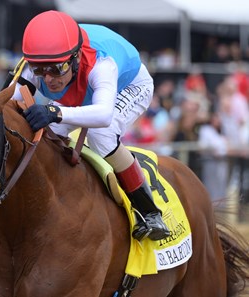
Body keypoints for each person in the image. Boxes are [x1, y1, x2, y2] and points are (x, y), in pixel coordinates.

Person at [11, 10, 169, 241]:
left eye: (56, 69)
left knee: (101, 135)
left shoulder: (102, 64)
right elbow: (8, 103)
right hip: (82, 92)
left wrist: (53, 111)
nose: (48, 78)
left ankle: (149, 211)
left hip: (129, 85)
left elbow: (103, 115)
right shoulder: (37, 64)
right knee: (44, 135)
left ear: (75, 58)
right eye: (39, 70)